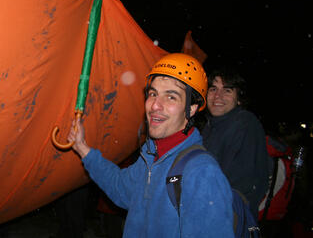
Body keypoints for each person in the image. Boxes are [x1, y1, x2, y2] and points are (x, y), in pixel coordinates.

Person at [67, 53, 234, 238]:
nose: (155, 105)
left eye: (171, 97)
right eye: (153, 93)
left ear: (191, 108)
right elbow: (120, 187)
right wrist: (81, 146)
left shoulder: (201, 173)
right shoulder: (152, 156)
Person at [201, 65, 270, 218]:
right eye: (213, 89)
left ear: (239, 99)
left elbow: (239, 183)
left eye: (227, 90)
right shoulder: (210, 126)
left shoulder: (244, 124)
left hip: (227, 218)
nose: (218, 96)